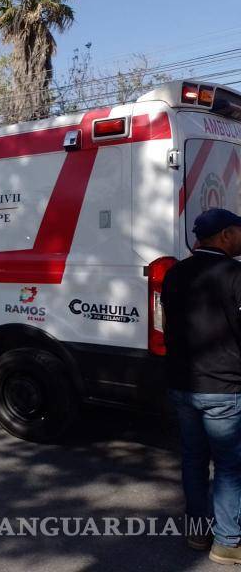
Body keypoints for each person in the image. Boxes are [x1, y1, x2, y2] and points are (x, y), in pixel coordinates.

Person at [162, 208, 241, 563]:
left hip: (182, 385)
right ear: (225, 235)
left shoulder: (175, 273)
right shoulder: (235, 274)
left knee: (194, 460)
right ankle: (227, 542)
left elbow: (166, 325)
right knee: (229, 466)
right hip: (224, 388)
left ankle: (198, 532)